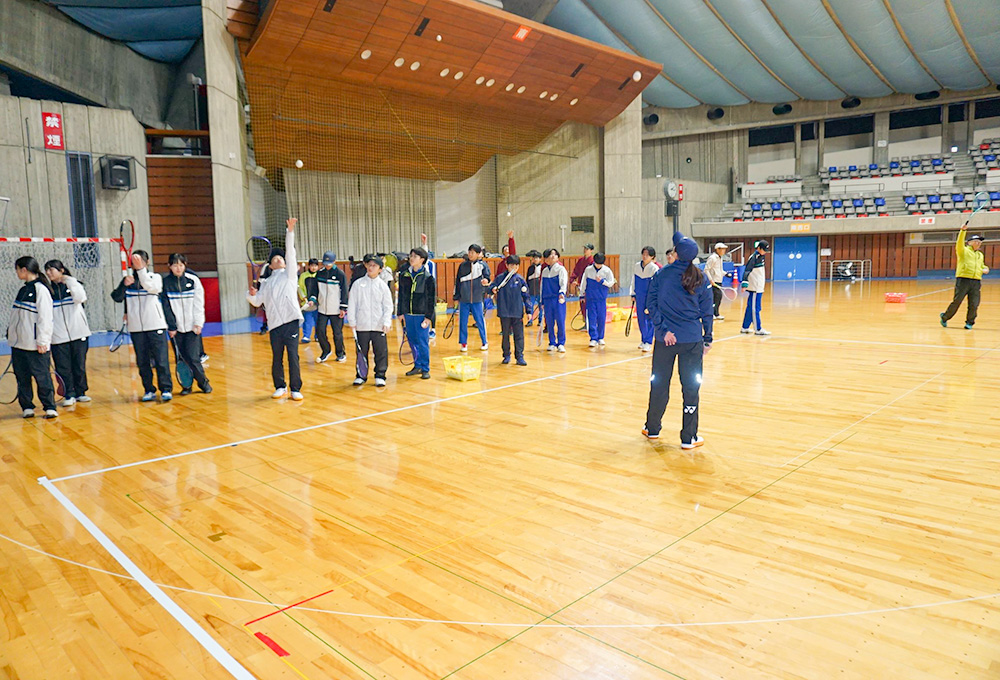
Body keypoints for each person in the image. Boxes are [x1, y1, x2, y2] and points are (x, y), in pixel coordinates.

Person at [642, 232, 714, 448]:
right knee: (691, 387)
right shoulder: (701, 277)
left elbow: (650, 305)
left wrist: (664, 332)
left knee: (659, 384)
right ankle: (688, 437)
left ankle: (652, 428)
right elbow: (707, 312)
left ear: (675, 253)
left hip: (666, 341)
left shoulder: (661, 275)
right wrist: (707, 339)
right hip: (692, 341)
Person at [247, 218, 304, 400]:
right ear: (270, 265)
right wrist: (250, 294)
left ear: (286, 263)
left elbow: (291, 253)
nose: (279, 259)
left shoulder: (289, 276)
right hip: (274, 326)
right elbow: (257, 302)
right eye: (275, 259)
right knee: (276, 358)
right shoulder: (267, 283)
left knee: (293, 357)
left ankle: (296, 388)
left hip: (291, 322)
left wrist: (290, 231)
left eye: (281, 258)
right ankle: (280, 386)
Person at [111, 250, 174, 402]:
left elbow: (153, 288)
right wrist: (123, 285)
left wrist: (141, 271)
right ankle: (148, 389)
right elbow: (116, 297)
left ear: (147, 262)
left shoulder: (155, 277)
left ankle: (166, 389)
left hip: (155, 325)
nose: (137, 264)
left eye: (140, 262)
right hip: (136, 328)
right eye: (135, 262)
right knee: (142, 361)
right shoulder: (128, 280)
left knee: (161, 360)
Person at [10, 257, 57, 419]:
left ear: (24, 270)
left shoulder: (41, 290)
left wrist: (43, 341)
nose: (16, 273)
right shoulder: (23, 290)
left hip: (35, 345)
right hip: (19, 345)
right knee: (22, 377)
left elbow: (46, 318)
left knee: (42, 376)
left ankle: (49, 406)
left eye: (17, 269)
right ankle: (27, 407)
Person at [162, 253, 212, 395]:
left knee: (193, 357)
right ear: (169, 266)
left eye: (181, 265)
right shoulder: (165, 283)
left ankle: (204, 383)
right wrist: (171, 327)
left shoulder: (193, 281)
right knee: (181, 359)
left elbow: (198, 303)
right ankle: (186, 386)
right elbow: (166, 307)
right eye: (175, 265)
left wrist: (198, 323)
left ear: (185, 265)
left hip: (192, 328)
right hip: (175, 330)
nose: (178, 268)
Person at [44, 260, 91, 406]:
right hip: (58, 336)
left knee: (79, 365)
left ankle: (81, 392)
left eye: (52, 269)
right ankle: (68, 394)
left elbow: (80, 298)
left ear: (61, 270)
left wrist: (69, 280)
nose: (49, 273)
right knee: (63, 366)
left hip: (79, 333)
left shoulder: (74, 285)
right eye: (47, 270)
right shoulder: (47, 290)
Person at [347, 254, 393, 386]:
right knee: (361, 351)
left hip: (379, 326)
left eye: (374, 265)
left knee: (381, 351)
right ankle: (361, 375)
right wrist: (352, 321)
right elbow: (352, 304)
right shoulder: (357, 284)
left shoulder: (383, 286)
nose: (371, 267)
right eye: (369, 265)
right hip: (362, 325)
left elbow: (388, 306)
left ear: (380, 269)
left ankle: (380, 375)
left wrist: (386, 322)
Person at [940, 222, 989, 329]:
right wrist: (962, 231)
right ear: (969, 242)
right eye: (976, 241)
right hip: (963, 280)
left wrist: (985, 269)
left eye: (980, 241)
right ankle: (945, 317)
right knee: (957, 301)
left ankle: (969, 323)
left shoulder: (980, 255)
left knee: (974, 304)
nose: (979, 243)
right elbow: (959, 243)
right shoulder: (963, 251)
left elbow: (982, 265)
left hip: (976, 282)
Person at [397, 247, 435, 379]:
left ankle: (425, 368)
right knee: (412, 340)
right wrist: (400, 312)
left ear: (422, 260)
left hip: (421, 315)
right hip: (408, 315)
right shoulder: (404, 275)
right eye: (411, 256)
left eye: (415, 256)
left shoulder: (428, 278)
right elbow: (401, 295)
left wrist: (428, 317)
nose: (411, 258)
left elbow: (431, 299)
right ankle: (417, 365)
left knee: (422, 342)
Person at [489, 255, 531, 365]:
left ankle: (520, 357)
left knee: (519, 335)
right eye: (511, 265)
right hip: (504, 312)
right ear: (507, 265)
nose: (514, 267)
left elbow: (526, 296)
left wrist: (529, 311)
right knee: (505, 335)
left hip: (517, 312)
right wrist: (492, 289)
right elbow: (491, 287)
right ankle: (506, 355)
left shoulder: (520, 279)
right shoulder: (500, 278)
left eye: (516, 265)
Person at [454, 244, 491, 352]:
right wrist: (456, 296)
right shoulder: (462, 266)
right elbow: (457, 282)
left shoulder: (483, 266)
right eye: (469, 252)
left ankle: (484, 341)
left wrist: (486, 282)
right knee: (463, 322)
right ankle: (463, 343)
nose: (470, 254)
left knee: (480, 321)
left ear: (478, 254)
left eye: (473, 252)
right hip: (464, 299)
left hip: (477, 299)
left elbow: (488, 278)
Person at [313, 251, 348, 363]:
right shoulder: (320, 273)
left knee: (337, 333)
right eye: (325, 263)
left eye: (329, 263)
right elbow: (315, 289)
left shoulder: (340, 274)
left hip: (336, 309)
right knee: (320, 331)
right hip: (322, 308)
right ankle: (326, 350)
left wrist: (343, 308)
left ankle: (340, 353)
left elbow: (344, 292)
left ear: (334, 262)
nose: (327, 265)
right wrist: (312, 299)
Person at [579, 252, 616, 348]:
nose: (598, 265)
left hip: (601, 299)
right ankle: (593, 338)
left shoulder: (607, 271)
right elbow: (583, 282)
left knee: (601, 318)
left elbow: (611, 282)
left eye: (600, 263)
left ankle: (601, 337)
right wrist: (582, 294)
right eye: (597, 263)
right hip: (590, 298)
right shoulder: (588, 270)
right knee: (591, 318)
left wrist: (603, 281)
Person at [630, 246, 660, 352]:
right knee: (641, 318)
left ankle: (648, 341)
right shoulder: (637, 266)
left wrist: (654, 299)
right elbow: (633, 280)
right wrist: (633, 293)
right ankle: (643, 340)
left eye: (647, 254)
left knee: (649, 319)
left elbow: (656, 286)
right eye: (643, 254)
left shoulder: (654, 268)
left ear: (652, 257)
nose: (644, 256)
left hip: (650, 297)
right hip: (639, 296)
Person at [541, 248, 569, 352]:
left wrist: (562, 293)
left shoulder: (561, 269)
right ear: (546, 259)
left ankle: (561, 343)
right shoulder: (544, 271)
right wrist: (542, 301)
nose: (553, 256)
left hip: (558, 299)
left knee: (560, 321)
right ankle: (552, 342)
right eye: (550, 255)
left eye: (555, 254)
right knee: (549, 322)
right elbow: (542, 287)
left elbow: (563, 282)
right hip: (547, 300)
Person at [740, 240, 770, 336]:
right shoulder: (754, 257)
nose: (765, 252)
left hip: (759, 287)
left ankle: (745, 327)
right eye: (763, 250)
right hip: (755, 288)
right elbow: (747, 270)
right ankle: (758, 328)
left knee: (750, 308)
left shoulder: (761, 256)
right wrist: (744, 284)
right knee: (755, 308)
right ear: (759, 248)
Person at [569, 243, 595, 326]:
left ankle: (591, 323)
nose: (585, 250)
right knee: (582, 304)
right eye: (584, 248)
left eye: (587, 249)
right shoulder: (581, 260)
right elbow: (576, 271)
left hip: (590, 287)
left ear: (591, 250)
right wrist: (572, 280)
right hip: (581, 287)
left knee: (589, 305)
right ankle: (586, 322)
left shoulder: (593, 261)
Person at [298, 257, 320, 343]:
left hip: (318, 303)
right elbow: (300, 288)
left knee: (318, 320)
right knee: (307, 320)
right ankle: (306, 336)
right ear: (309, 266)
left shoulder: (319, 275)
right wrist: (304, 297)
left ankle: (318, 336)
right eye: (312, 265)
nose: (314, 267)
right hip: (306, 303)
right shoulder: (303, 276)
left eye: (315, 266)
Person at [705, 242, 728, 321]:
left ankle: (716, 313)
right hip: (713, 281)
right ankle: (712, 314)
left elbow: (719, 270)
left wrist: (726, 274)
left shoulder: (720, 258)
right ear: (717, 249)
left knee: (718, 298)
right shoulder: (712, 258)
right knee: (715, 298)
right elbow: (706, 269)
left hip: (719, 280)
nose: (724, 251)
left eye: (725, 249)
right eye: (722, 249)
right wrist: (711, 280)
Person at [525, 250, 544, 327]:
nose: (535, 260)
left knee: (541, 306)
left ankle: (540, 320)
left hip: (540, 290)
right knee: (530, 305)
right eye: (534, 258)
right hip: (532, 290)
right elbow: (527, 278)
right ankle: (530, 320)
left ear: (540, 259)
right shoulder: (530, 268)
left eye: (537, 258)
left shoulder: (542, 268)